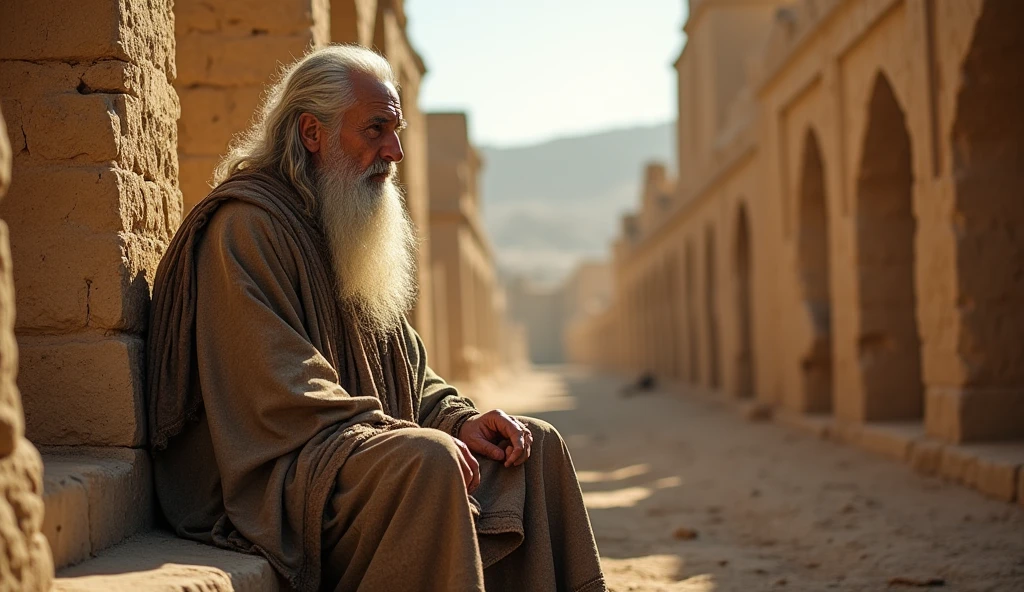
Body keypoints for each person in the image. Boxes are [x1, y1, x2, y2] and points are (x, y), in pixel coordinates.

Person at [146, 45, 606, 592]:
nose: (396, 150)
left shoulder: (345, 223)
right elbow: (281, 391)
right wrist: (401, 435)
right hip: (284, 474)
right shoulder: (246, 228)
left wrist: (459, 421)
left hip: (357, 448)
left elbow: (405, 368)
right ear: (311, 133)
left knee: (534, 447)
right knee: (428, 462)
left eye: (397, 129)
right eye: (375, 129)